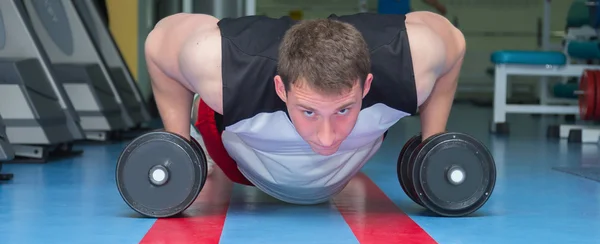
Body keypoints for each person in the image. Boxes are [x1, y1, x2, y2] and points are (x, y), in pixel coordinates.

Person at [144, 11, 465, 205]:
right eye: (309, 111)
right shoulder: (223, 70)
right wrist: (178, 143)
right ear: (281, 89)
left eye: (343, 110)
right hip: (239, 161)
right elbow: (159, 42)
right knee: (207, 75)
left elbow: (453, 40)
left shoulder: (406, 64)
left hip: (348, 159)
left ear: (366, 86)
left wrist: (433, 141)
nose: (326, 139)